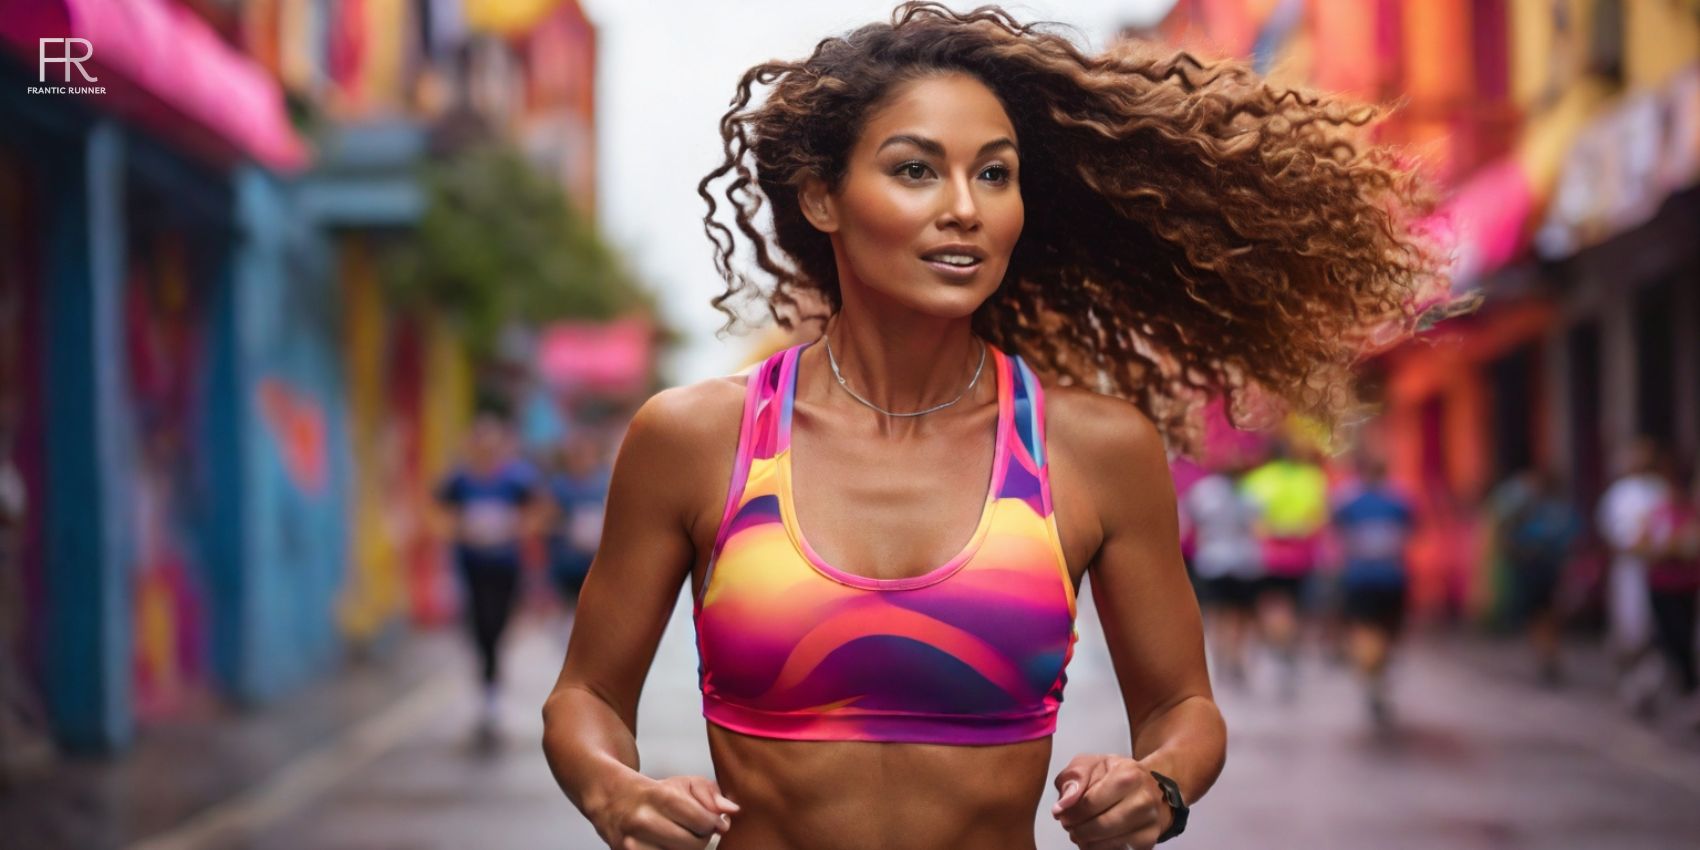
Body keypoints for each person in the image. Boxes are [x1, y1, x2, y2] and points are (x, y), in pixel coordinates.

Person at [540, 4, 1456, 849]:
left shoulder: (1092, 450)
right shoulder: (696, 438)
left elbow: (1185, 707)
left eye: (994, 174)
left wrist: (1159, 785)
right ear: (822, 198)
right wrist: (613, 792)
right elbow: (584, 696)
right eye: (914, 170)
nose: (965, 208)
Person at [433, 413, 543, 742]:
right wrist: (458, 530)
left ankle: (492, 683)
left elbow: (541, 509)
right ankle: (488, 690)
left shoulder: (516, 479)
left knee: (498, 623)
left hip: (505, 565)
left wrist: (515, 528)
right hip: (472, 565)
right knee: (480, 624)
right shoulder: (460, 480)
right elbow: (437, 511)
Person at [1239, 439, 1331, 700]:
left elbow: (1247, 519)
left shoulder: (1258, 480)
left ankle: (1281, 648)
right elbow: (1320, 516)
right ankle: (1288, 648)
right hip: (1303, 556)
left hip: (1269, 555)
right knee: (1297, 605)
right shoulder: (1311, 478)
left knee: (1273, 606)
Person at [1330, 457, 1415, 728]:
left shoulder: (1347, 501)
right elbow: (1411, 529)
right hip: (1392, 577)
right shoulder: (1399, 500)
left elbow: (1337, 529)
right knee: (1388, 630)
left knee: (1365, 630)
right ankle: (1377, 674)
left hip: (1359, 577)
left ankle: (1371, 676)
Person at [1596, 437, 1671, 715]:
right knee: (1630, 629)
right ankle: (1631, 685)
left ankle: (1647, 685)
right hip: (1629, 571)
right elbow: (1612, 532)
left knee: (1657, 630)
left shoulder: (1660, 489)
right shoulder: (1620, 492)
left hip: (1660, 569)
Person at [1491, 467, 1582, 686]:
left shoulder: (1548, 510)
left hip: (1544, 567)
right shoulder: (1531, 508)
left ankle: (1547, 654)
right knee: (1541, 614)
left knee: (1544, 614)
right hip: (1539, 567)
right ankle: (1547, 654)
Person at [1180, 464, 1263, 689]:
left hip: (1213, 560)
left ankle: (1222, 657)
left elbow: (1188, 524)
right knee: (1238, 614)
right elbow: (1257, 526)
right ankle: (1233, 656)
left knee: (1217, 614)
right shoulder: (1250, 492)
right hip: (1242, 561)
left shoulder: (1204, 491)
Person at [1636, 462, 1700, 727]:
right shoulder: (1657, 514)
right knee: (1668, 637)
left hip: (1688, 586)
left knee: (1683, 639)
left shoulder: (1693, 514)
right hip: (1661, 585)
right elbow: (1644, 545)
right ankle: (1666, 689)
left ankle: (1685, 691)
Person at [544, 431, 612, 611]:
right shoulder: (559, 486)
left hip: (597, 565)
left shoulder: (606, 482)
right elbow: (545, 520)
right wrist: (568, 527)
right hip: (567, 563)